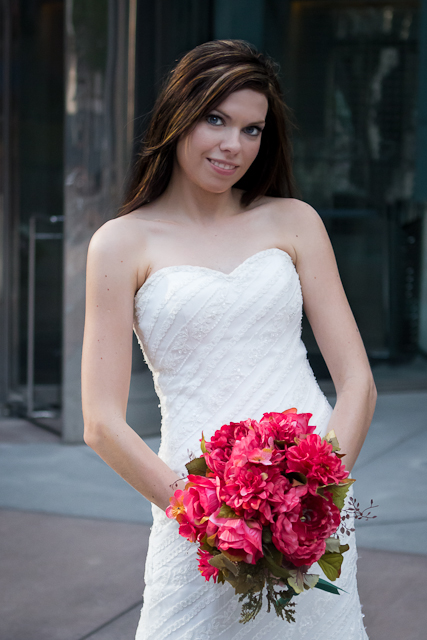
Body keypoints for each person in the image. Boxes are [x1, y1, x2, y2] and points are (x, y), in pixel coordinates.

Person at [81, 40, 376, 639]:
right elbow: (101, 422)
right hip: (192, 504)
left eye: (251, 129)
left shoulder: (295, 221)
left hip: (312, 498)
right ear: (178, 115)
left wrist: (315, 503)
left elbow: (358, 383)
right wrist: (209, 519)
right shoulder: (119, 243)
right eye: (216, 119)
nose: (232, 145)